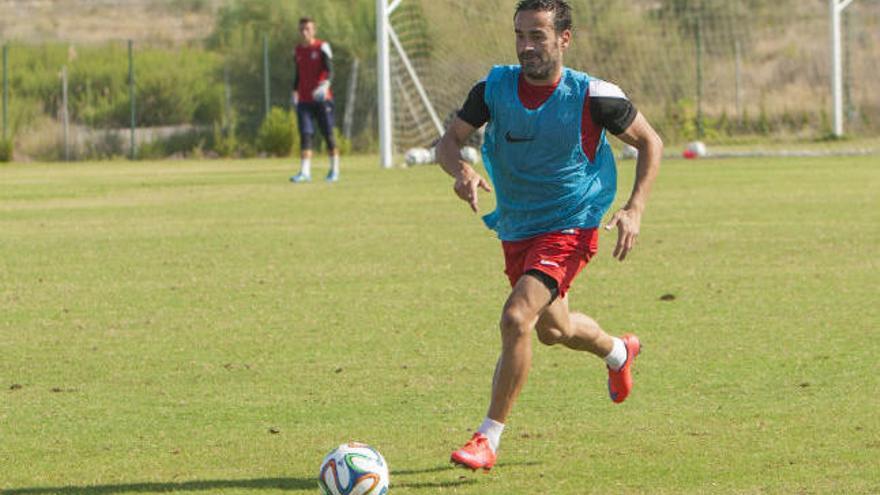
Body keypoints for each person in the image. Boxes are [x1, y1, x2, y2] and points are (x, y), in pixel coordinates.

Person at [435, 0, 663, 472]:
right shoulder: (493, 89)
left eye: (537, 36)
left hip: (572, 224)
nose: (526, 46)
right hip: (518, 225)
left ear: (564, 38)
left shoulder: (594, 95)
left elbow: (650, 142)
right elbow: (448, 140)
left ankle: (487, 438)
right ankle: (619, 352)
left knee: (516, 317)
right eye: (520, 35)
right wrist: (460, 171)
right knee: (553, 329)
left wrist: (634, 209)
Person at [290, 17, 340, 183]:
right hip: (304, 100)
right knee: (306, 134)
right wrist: (294, 91)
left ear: (314, 30)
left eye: (308, 29)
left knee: (328, 135)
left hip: (322, 99)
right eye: (302, 29)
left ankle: (334, 170)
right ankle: (305, 172)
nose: (304, 32)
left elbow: (330, 70)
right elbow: (298, 74)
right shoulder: (297, 50)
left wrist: (325, 85)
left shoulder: (322, 47)